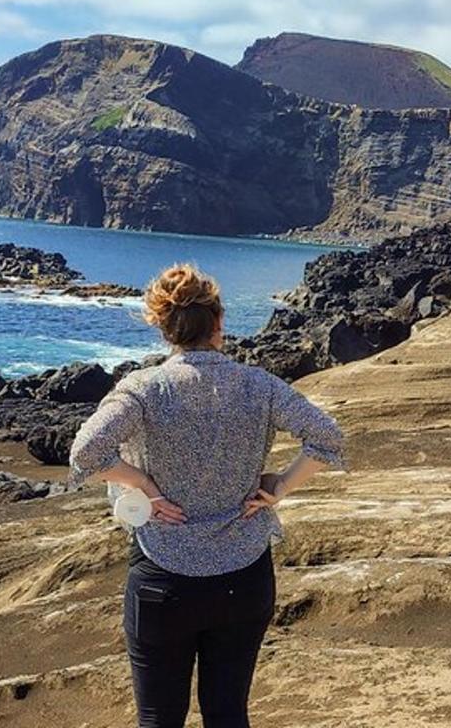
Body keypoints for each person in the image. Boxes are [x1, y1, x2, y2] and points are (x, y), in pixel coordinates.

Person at [69, 264, 344, 728]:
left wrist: (144, 486)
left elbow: (85, 454)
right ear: (219, 324)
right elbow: (328, 439)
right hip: (245, 576)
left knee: (159, 720)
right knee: (228, 715)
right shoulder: (260, 385)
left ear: (163, 327)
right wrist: (279, 487)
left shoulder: (143, 389)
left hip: (163, 576)